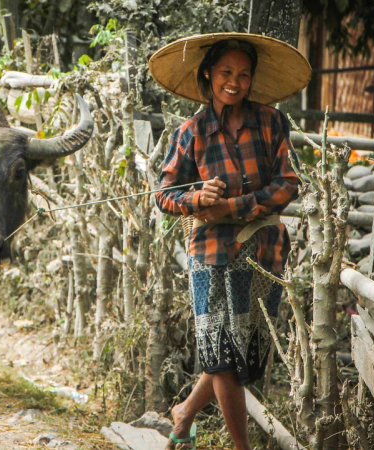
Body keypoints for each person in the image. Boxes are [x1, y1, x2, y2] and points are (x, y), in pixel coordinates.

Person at [149, 33, 311, 450]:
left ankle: (183, 414)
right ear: (208, 74)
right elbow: (164, 195)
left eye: (243, 74)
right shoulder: (191, 132)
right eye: (225, 72)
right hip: (211, 255)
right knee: (221, 356)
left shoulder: (272, 122)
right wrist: (197, 198)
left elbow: (288, 183)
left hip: (263, 251)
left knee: (242, 357)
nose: (234, 82)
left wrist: (235, 206)